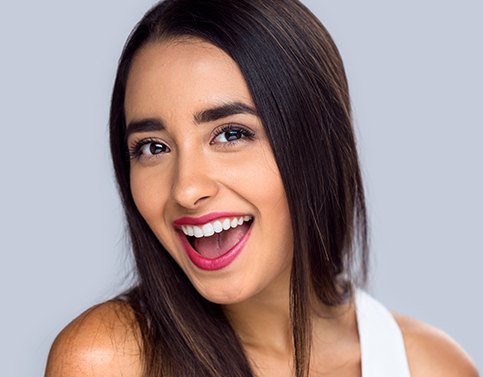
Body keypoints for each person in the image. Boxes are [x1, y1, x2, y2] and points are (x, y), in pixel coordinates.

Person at [45, 1, 478, 376]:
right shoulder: (107, 361)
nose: (187, 188)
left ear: (317, 143)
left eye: (230, 134)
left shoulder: (431, 366)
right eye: (153, 147)